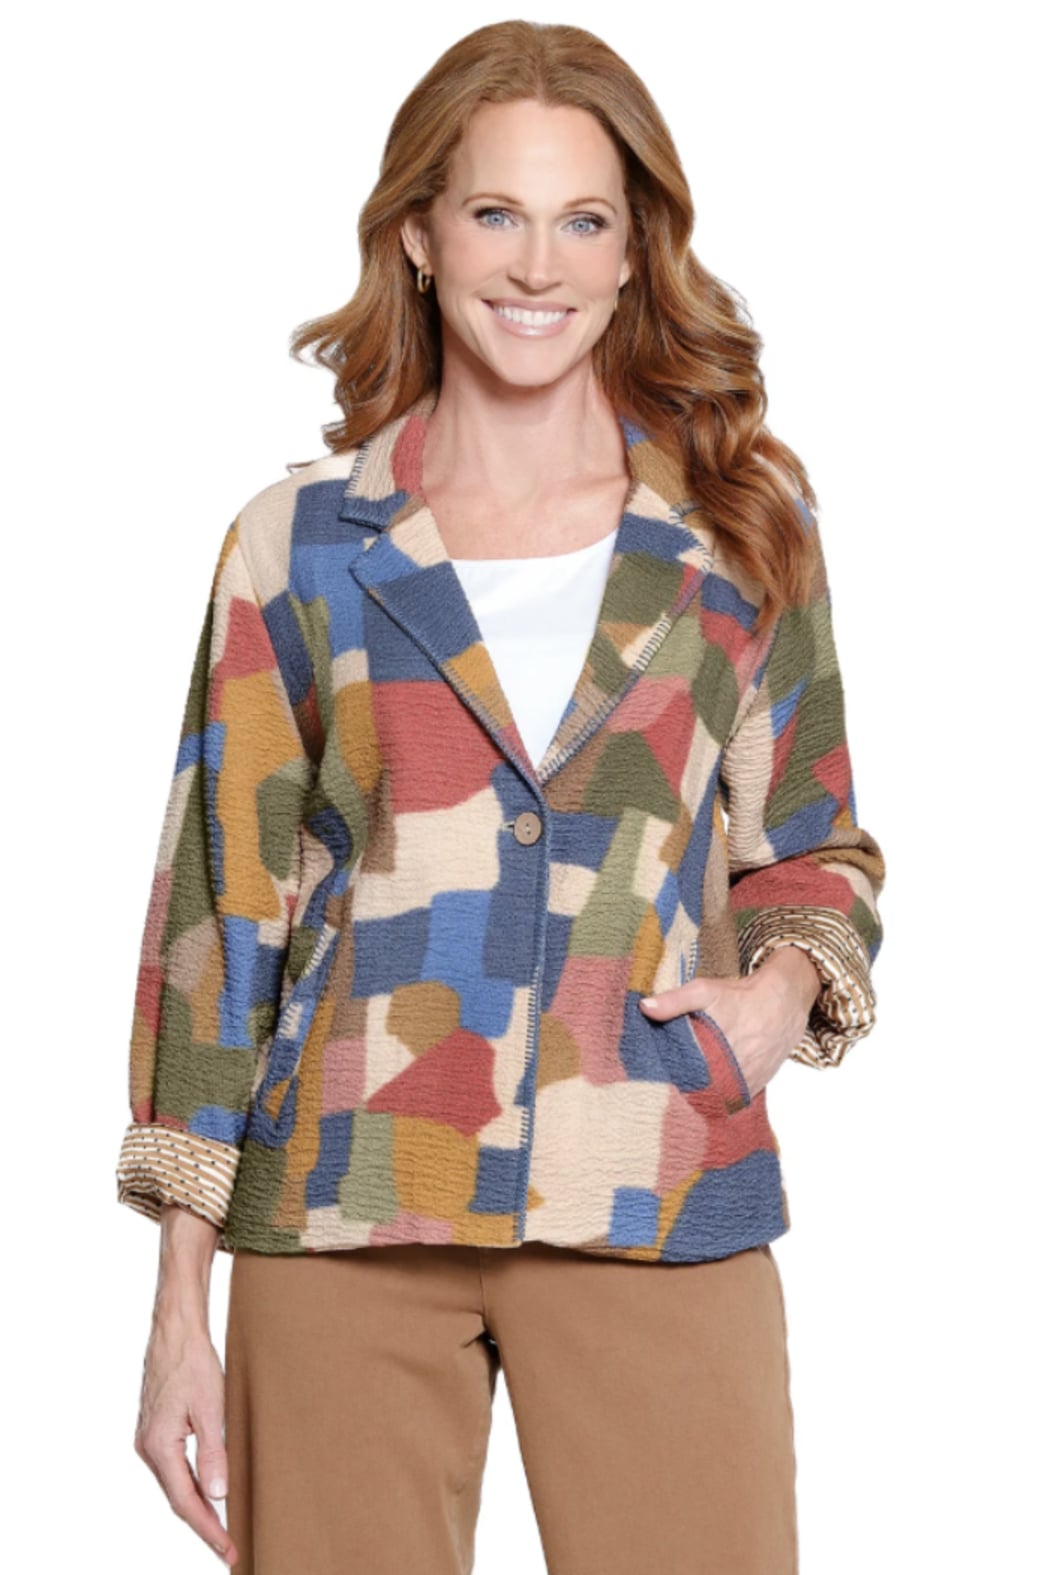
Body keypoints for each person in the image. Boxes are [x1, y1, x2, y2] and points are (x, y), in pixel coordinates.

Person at [116, 20, 886, 1575]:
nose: (538, 265)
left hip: (655, 1184)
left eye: (582, 220)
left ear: (633, 250)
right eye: (494, 213)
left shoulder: (736, 526)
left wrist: (776, 996)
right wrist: (178, 1309)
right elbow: (221, 916)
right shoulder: (297, 547)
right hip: (340, 1210)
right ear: (418, 235)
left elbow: (811, 845)